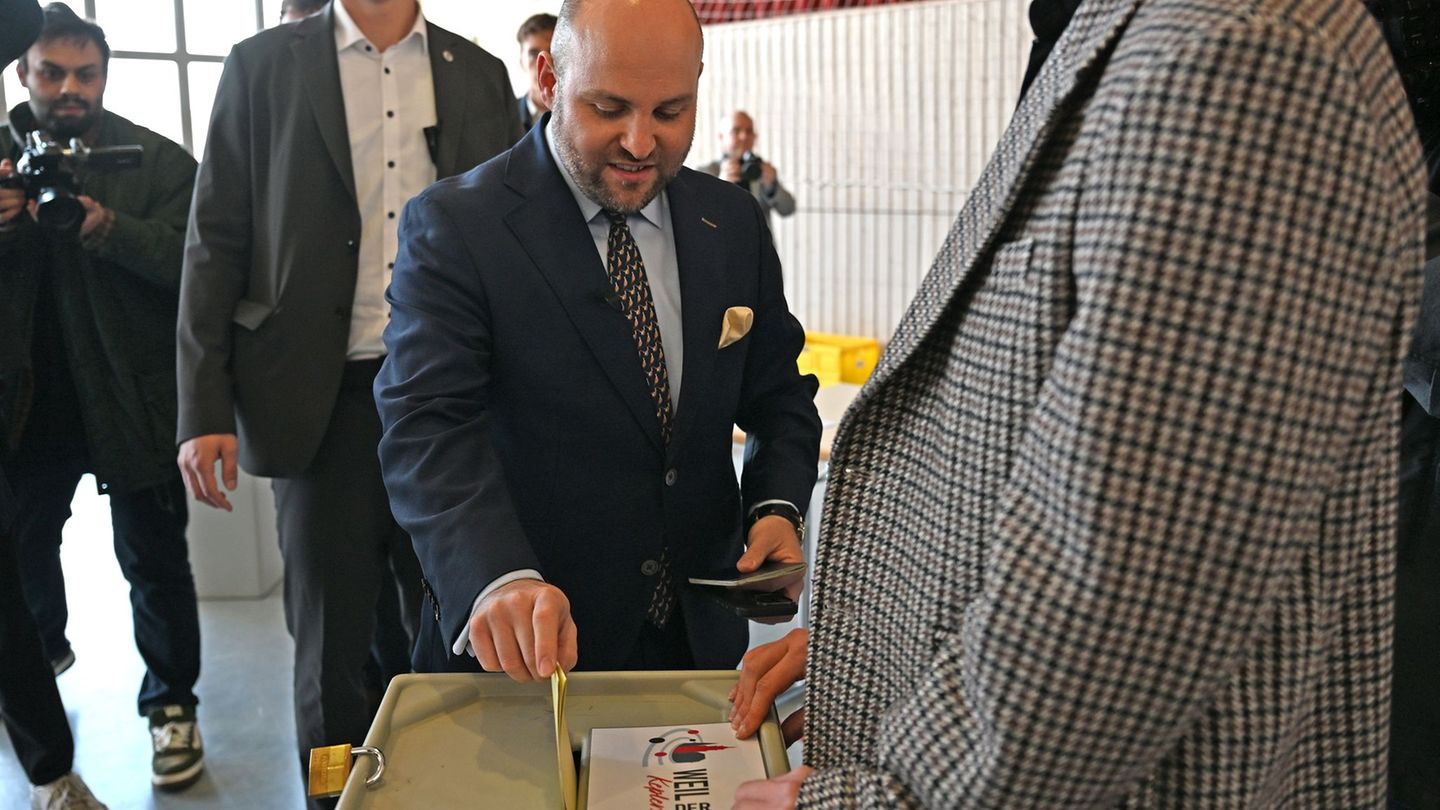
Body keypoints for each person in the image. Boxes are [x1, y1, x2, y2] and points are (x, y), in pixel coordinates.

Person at [729, 0, 1429, 804]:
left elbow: (1115, 611)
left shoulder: (1245, 58)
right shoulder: (1130, 37)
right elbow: (1028, 461)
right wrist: (874, 651)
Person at [374, 0, 822, 681]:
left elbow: (779, 397)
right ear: (551, 83)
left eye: (670, 112)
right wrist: (497, 579)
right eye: (609, 109)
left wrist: (776, 507)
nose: (641, 143)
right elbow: (427, 428)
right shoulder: (457, 226)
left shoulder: (729, 221)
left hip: (700, 647)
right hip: (531, 652)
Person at [174, 0, 519, 801]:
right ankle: (333, 797)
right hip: (316, 395)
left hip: (449, 398)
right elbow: (214, 237)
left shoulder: (479, 74)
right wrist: (204, 411)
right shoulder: (262, 66)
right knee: (328, 643)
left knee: (454, 623)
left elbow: (513, 239)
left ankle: (439, 790)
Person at [0, 3, 203, 794]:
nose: (69, 88)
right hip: (26, 406)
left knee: (155, 565)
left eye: (86, 74)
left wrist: (107, 225)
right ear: (23, 70)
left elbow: (201, 262)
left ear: (106, 77)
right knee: (20, 560)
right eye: (52, 71)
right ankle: (39, 666)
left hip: (134, 399)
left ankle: (173, 708)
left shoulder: (151, 158)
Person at [697, 110, 794, 226]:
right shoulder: (706, 172)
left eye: (749, 131)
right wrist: (721, 186)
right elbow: (698, 217)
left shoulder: (762, 170)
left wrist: (771, 187)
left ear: (755, 137)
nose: (744, 137)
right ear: (721, 137)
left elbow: (788, 209)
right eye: (736, 131)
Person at [515, 12, 555, 133]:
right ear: (522, 62)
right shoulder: (503, 118)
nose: (543, 64)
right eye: (533, 54)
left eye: (552, 52)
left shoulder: (584, 115)